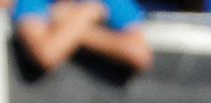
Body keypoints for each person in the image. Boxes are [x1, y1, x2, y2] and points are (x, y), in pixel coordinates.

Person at [11, 0, 152, 75]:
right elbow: (45, 54)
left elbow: (139, 54)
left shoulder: (112, 2)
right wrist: (86, 15)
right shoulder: (31, 2)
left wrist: (73, 22)